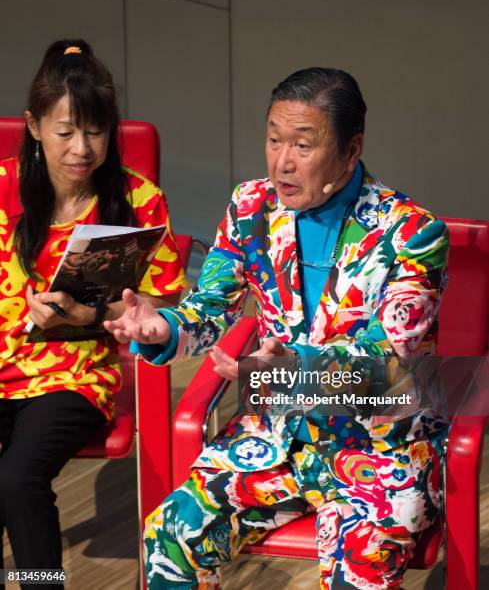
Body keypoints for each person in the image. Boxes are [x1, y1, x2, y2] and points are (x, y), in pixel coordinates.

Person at [105, 68, 449, 589]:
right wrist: (165, 328)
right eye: (273, 139)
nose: (281, 162)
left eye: (303, 145)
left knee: (355, 573)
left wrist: (294, 373)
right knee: (169, 536)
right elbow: (211, 306)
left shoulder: (413, 235)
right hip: (274, 437)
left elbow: (386, 365)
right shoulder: (251, 208)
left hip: (379, 451)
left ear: (351, 148)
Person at [0, 39, 186, 588]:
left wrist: (87, 313)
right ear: (34, 127)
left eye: (96, 132)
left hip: (74, 374)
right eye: (65, 132)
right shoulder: (3, 188)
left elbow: (166, 298)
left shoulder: (136, 198)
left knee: (15, 477)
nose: (82, 148)